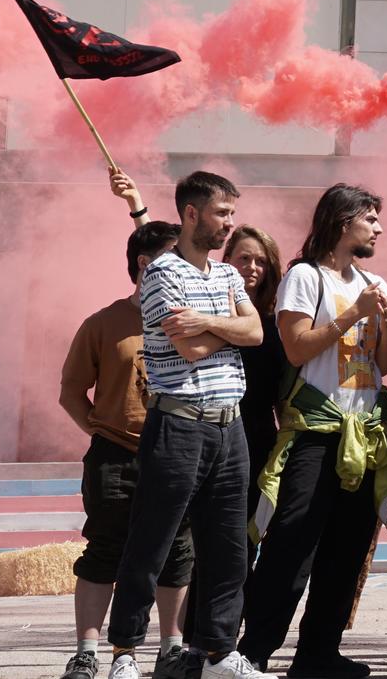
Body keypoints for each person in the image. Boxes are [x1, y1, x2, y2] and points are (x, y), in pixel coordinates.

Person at [107, 172, 266, 679]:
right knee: (151, 541)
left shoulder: (226, 275)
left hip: (229, 426)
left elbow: (258, 331)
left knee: (227, 547)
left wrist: (209, 322)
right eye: (222, 214)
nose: (229, 225)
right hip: (178, 426)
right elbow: (190, 348)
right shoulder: (161, 273)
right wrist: (229, 329)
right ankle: (125, 653)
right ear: (191, 214)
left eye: (232, 215)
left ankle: (220, 652)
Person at [239, 185, 387, 678]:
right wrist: (356, 313)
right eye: (370, 218)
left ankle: (318, 653)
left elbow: (386, 363)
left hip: (365, 431)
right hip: (316, 429)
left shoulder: (374, 280)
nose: (378, 228)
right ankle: (252, 651)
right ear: (342, 220)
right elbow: (295, 348)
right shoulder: (304, 277)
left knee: (347, 548)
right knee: (292, 542)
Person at [60, 221, 193, 679]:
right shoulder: (103, 323)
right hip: (116, 456)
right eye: (176, 257)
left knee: (177, 549)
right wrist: (101, 430)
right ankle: (87, 653)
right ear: (145, 263)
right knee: (105, 549)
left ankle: (171, 649)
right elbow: (72, 392)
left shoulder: (192, 317)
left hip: (178, 448)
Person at [221, 227, 287, 541]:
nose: (252, 267)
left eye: (261, 260)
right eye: (244, 258)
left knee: (246, 538)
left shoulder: (278, 324)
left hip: (258, 440)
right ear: (227, 261)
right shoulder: (209, 314)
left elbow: (283, 399)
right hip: (212, 435)